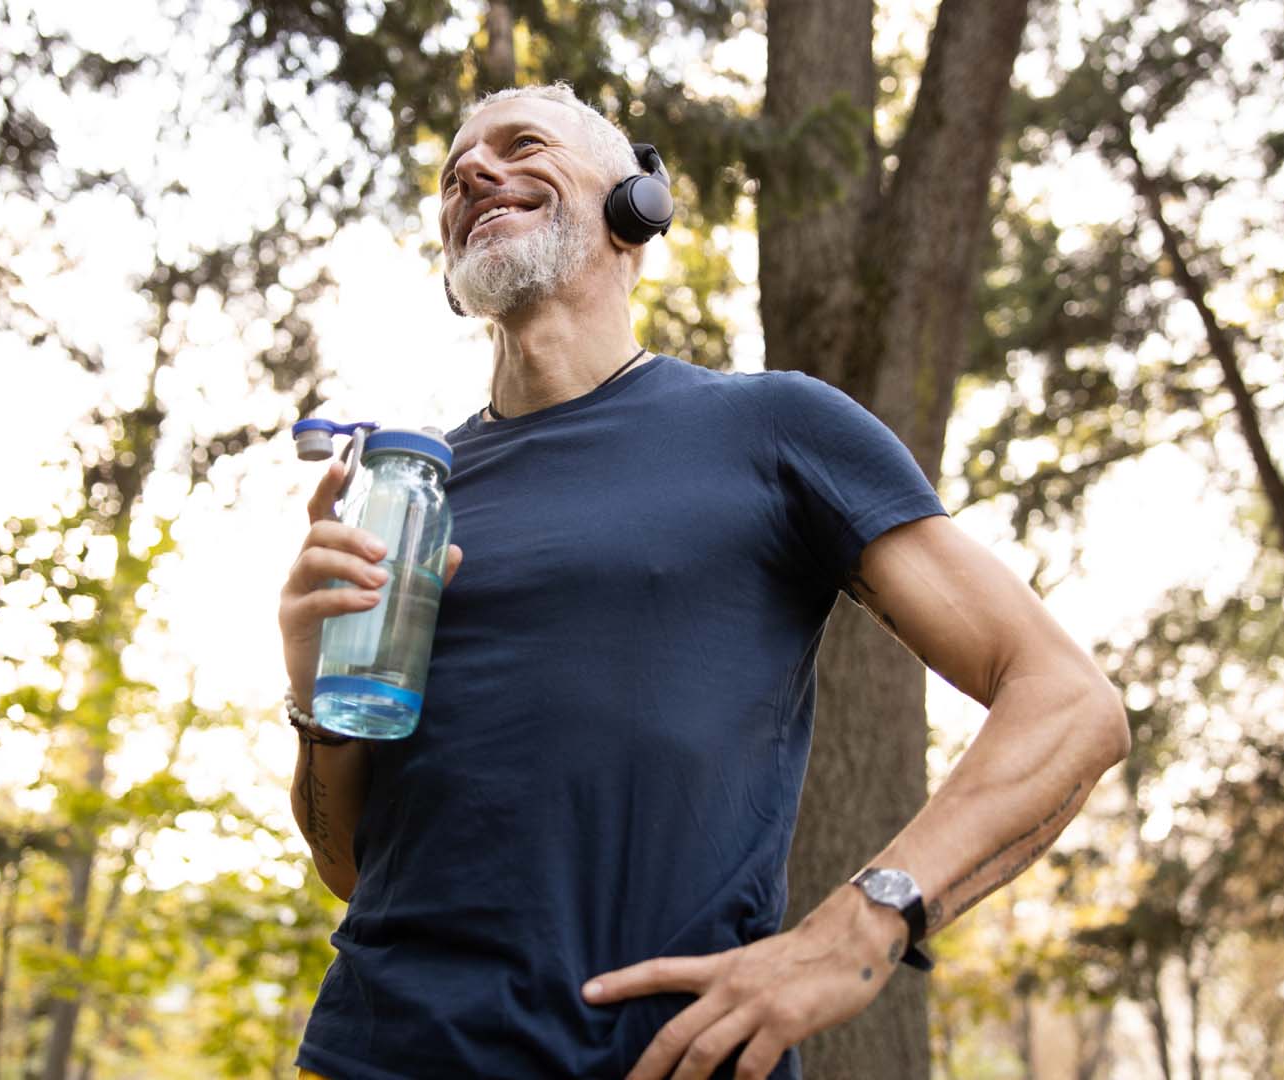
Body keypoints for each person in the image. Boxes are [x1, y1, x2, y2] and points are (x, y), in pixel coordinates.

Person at [275, 83, 1130, 1080]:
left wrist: (863, 925)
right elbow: (348, 867)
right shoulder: (414, 492)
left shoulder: (771, 429)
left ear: (633, 211)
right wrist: (315, 694)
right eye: (456, 168)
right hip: (375, 1056)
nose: (472, 171)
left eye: (521, 146)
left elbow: (1070, 703)